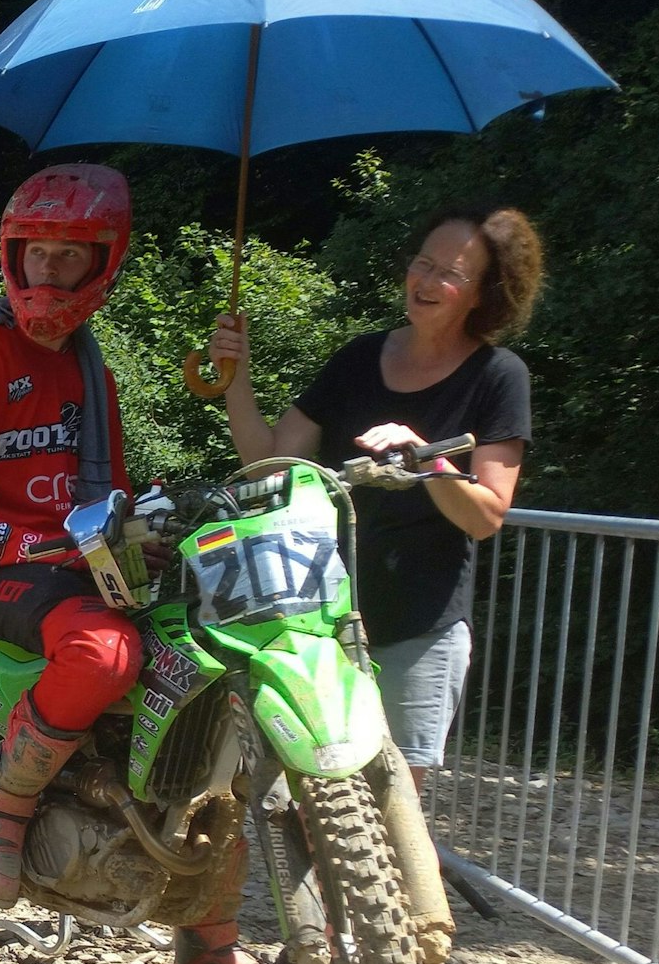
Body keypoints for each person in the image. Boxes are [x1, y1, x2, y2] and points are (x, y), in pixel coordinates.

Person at [0, 165, 307, 964]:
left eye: (70, 257)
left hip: (77, 564)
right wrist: (65, 544)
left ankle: (209, 948)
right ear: (11, 258)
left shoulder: (97, 375)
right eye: (37, 255)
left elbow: (112, 494)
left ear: (104, 264)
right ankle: (2, 800)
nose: (48, 275)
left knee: (219, 664)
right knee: (104, 652)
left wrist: (152, 531)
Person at [210, 206, 540, 792]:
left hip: (420, 626)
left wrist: (428, 460)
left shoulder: (498, 375)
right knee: (319, 814)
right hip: (320, 625)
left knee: (394, 817)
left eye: (451, 274)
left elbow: (488, 514)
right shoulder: (360, 359)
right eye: (423, 263)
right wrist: (235, 379)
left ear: (484, 294)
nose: (429, 281)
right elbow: (270, 464)